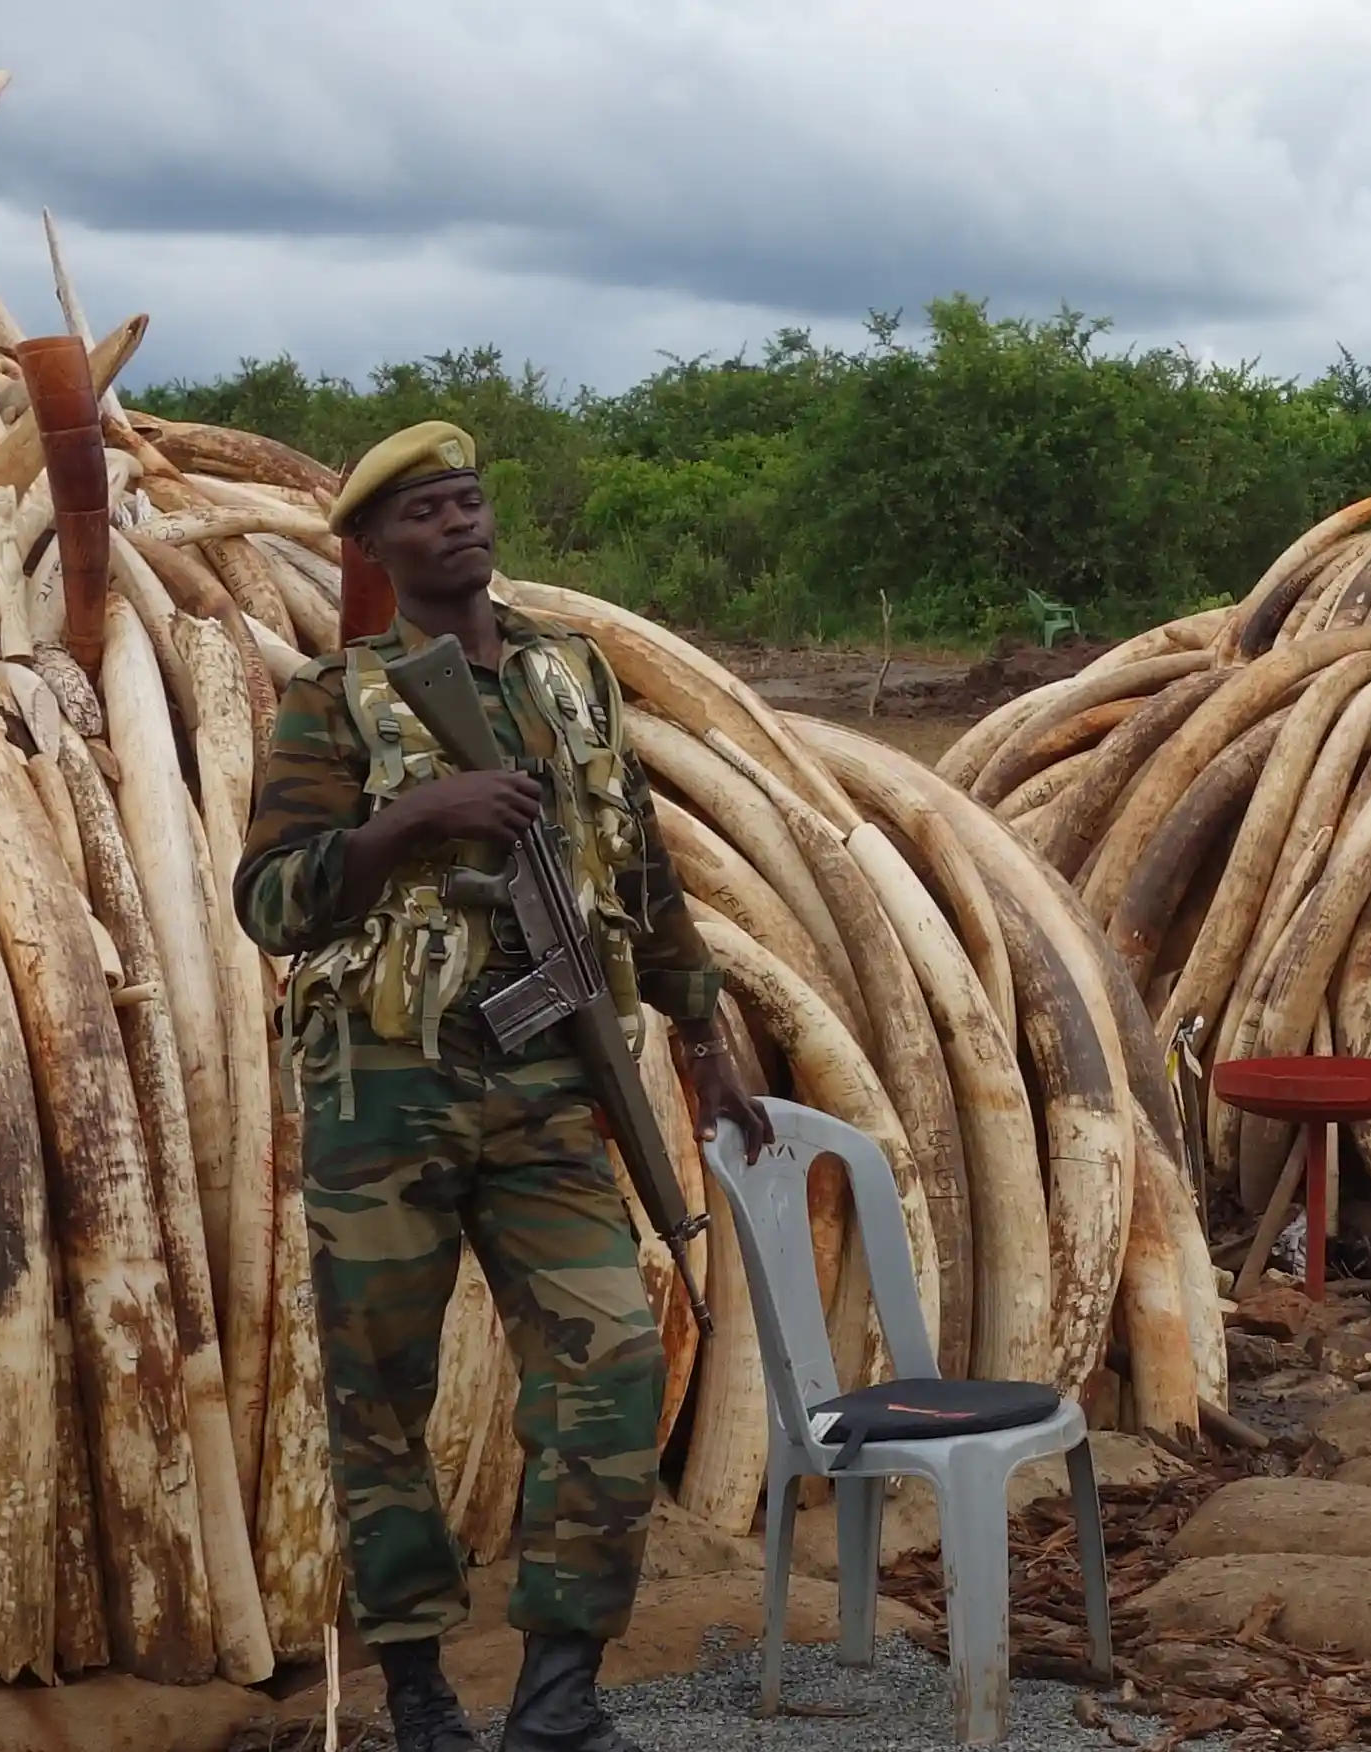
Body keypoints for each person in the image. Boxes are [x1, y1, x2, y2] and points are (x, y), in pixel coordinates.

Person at [236, 422, 770, 1752]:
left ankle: (555, 1704)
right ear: (373, 550)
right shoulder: (335, 699)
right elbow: (271, 900)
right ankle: (419, 1694)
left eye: (468, 501)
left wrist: (701, 1032)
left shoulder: (571, 676)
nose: (458, 524)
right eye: (422, 514)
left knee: (613, 1359)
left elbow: (636, 862)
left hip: (542, 1080)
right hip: (388, 1087)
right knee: (381, 1397)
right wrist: (413, 821)